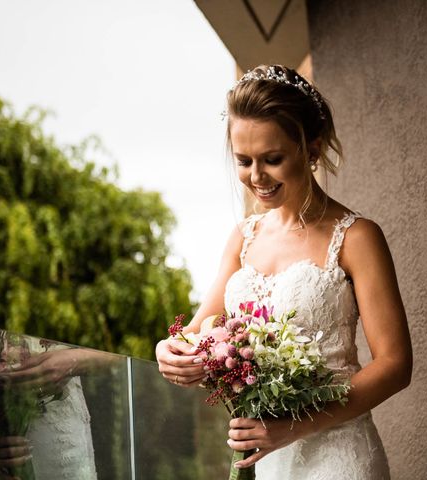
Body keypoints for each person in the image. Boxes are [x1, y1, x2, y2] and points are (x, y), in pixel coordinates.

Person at [155, 64, 412, 479]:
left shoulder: (357, 237)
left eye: (272, 159)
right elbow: (200, 328)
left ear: (311, 149)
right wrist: (170, 351)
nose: (256, 177)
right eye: (243, 161)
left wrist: (293, 427)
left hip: (339, 456)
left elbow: (396, 364)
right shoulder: (243, 237)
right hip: (271, 460)